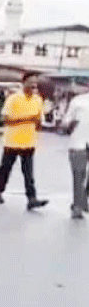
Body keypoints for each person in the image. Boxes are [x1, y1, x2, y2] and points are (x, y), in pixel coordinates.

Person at [0, 74, 49, 210]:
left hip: (29, 142)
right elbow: (6, 120)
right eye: (30, 82)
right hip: (12, 142)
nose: (33, 86)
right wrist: (28, 119)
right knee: (5, 169)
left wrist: (37, 123)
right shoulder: (13, 99)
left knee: (29, 173)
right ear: (24, 83)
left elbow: (39, 123)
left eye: (35, 83)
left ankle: (32, 198)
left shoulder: (38, 100)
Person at [63, 90, 89, 219]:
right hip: (79, 141)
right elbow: (66, 121)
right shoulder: (78, 101)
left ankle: (83, 197)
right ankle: (77, 206)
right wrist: (69, 125)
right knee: (79, 174)